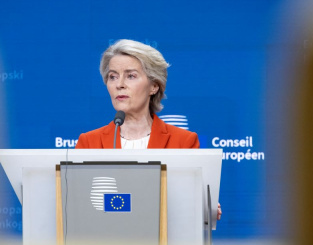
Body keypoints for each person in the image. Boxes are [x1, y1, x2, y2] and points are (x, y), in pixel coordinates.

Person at [75, 39, 221, 220]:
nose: (119, 84)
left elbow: (191, 206)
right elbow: (77, 204)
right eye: (112, 76)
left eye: (131, 76)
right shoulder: (89, 142)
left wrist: (203, 205)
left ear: (154, 86)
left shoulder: (183, 141)